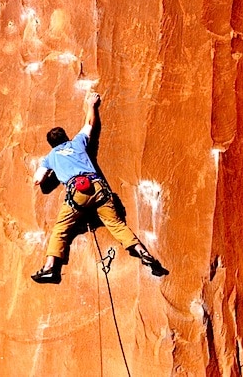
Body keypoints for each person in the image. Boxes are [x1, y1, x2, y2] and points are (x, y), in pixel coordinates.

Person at [31, 92, 168, 284]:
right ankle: (142, 252)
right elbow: (89, 124)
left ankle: (49, 268)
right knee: (117, 225)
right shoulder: (77, 142)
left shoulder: (50, 156)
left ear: (51, 144)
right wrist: (91, 105)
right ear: (66, 137)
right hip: (99, 189)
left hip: (76, 194)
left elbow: (39, 180)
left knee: (61, 228)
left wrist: (53, 170)